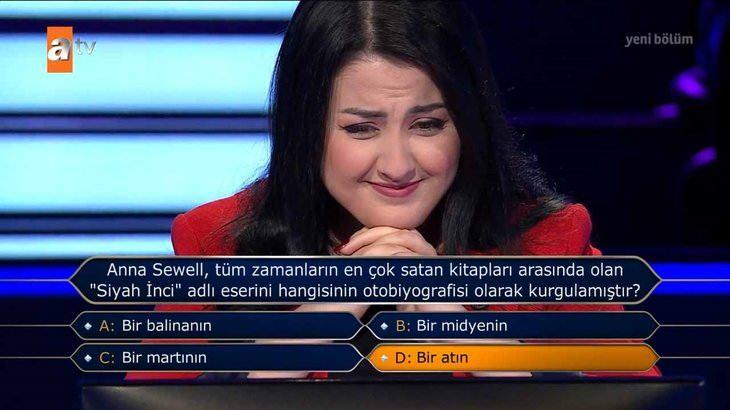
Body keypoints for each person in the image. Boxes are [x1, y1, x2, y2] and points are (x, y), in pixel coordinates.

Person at [127, 0, 659, 380]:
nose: (399, 166)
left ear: (466, 124)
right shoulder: (216, 243)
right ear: (304, 130)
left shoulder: (549, 244)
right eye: (362, 128)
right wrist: (296, 343)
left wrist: (471, 338)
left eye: (428, 124)